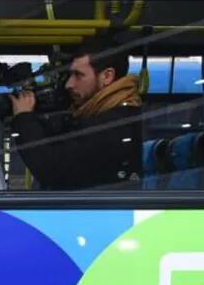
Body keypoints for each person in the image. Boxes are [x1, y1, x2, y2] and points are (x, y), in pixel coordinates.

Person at [10, 37, 143, 190]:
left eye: (78, 75)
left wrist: (24, 118)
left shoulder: (113, 125)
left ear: (107, 76)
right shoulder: (106, 115)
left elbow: (52, 170)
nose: (69, 84)